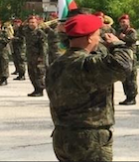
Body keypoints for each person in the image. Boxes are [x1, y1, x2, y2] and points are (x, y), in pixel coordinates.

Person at [46, 13, 133, 162]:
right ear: (89, 38)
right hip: (89, 140)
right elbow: (123, 66)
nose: (99, 38)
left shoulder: (56, 64)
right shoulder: (87, 65)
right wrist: (118, 44)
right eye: (97, 34)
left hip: (62, 136)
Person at [116, 14, 138, 106]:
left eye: (124, 21)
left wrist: (124, 37)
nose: (123, 23)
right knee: (124, 77)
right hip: (123, 56)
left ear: (128, 22)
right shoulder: (120, 31)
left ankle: (132, 97)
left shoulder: (131, 31)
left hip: (130, 56)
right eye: (121, 22)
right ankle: (127, 96)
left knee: (131, 77)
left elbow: (133, 39)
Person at [25, 16, 48, 97]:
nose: (31, 24)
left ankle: (40, 90)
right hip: (30, 57)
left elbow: (44, 47)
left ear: (37, 23)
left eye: (33, 22)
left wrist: (41, 57)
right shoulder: (28, 32)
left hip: (38, 57)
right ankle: (36, 89)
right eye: (30, 22)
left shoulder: (40, 33)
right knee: (31, 73)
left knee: (38, 74)